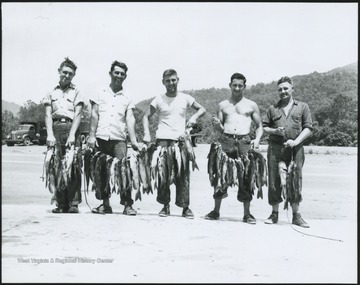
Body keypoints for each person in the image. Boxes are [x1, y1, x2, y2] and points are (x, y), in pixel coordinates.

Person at [142, 69, 206, 218]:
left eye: (173, 80)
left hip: (181, 141)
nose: (171, 83)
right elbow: (146, 116)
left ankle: (185, 207)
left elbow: (202, 109)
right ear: (163, 82)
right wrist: (146, 133)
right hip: (162, 141)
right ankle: (165, 206)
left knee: (183, 174)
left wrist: (194, 117)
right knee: (163, 173)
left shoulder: (185, 98)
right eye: (168, 80)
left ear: (178, 80)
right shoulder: (158, 99)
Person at [205, 72, 263, 224]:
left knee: (246, 176)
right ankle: (216, 211)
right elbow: (220, 128)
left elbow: (259, 126)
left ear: (244, 86)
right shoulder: (223, 105)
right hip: (226, 140)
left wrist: (256, 140)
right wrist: (217, 125)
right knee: (220, 175)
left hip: (244, 141)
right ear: (230, 85)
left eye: (240, 86)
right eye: (234, 85)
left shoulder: (251, 105)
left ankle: (247, 213)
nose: (237, 88)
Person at [87, 60, 140, 215]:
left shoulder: (128, 96)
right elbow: (94, 114)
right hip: (100, 138)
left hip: (119, 140)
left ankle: (127, 205)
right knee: (101, 172)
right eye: (116, 72)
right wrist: (91, 136)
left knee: (124, 171)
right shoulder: (100, 92)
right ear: (110, 73)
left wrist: (134, 140)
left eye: (122, 74)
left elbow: (130, 118)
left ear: (125, 76)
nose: (119, 76)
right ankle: (105, 204)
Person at [262, 76, 312, 228]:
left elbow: (308, 128)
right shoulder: (272, 108)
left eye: (285, 88)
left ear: (292, 89)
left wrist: (296, 141)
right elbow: (264, 128)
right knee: (274, 180)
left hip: (295, 149)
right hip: (275, 148)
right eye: (280, 89)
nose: (283, 91)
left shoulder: (303, 107)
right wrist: (275, 131)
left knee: (295, 180)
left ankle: (296, 215)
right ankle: (274, 213)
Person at [42, 57, 84, 214]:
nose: (67, 76)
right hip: (56, 128)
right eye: (65, 72)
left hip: (71, 127)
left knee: (73, 166)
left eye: (70, 74)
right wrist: (50, 135)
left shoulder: (77, 92)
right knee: (57, 166)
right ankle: (61, 203)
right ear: (59, 72)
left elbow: (79, 114)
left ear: (73, 76)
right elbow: (47, 115)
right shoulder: (51, 92)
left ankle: (73, 203)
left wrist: (72, 134)